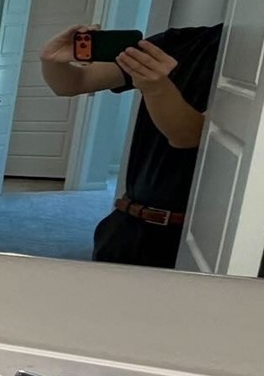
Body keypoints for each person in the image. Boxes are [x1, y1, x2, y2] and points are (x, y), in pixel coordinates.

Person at [38, 22, 224, 269]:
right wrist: (51, 61)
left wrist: (156, 88)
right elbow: (73, 83)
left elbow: (187, 136)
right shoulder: (179, 41)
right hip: (126, 223)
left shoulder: (252, 62)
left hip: (189, 237)